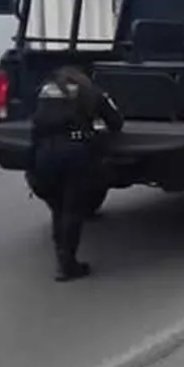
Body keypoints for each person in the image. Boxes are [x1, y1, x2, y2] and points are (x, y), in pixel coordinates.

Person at [26, 66, 124, 282]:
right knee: (72, 210)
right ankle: (67, 263)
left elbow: (34, 122)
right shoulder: (91, 92)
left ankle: (62, 258)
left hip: (43, 156)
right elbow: (116, 122)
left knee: (58, 209)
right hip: (75, 155)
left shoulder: (45, 91)